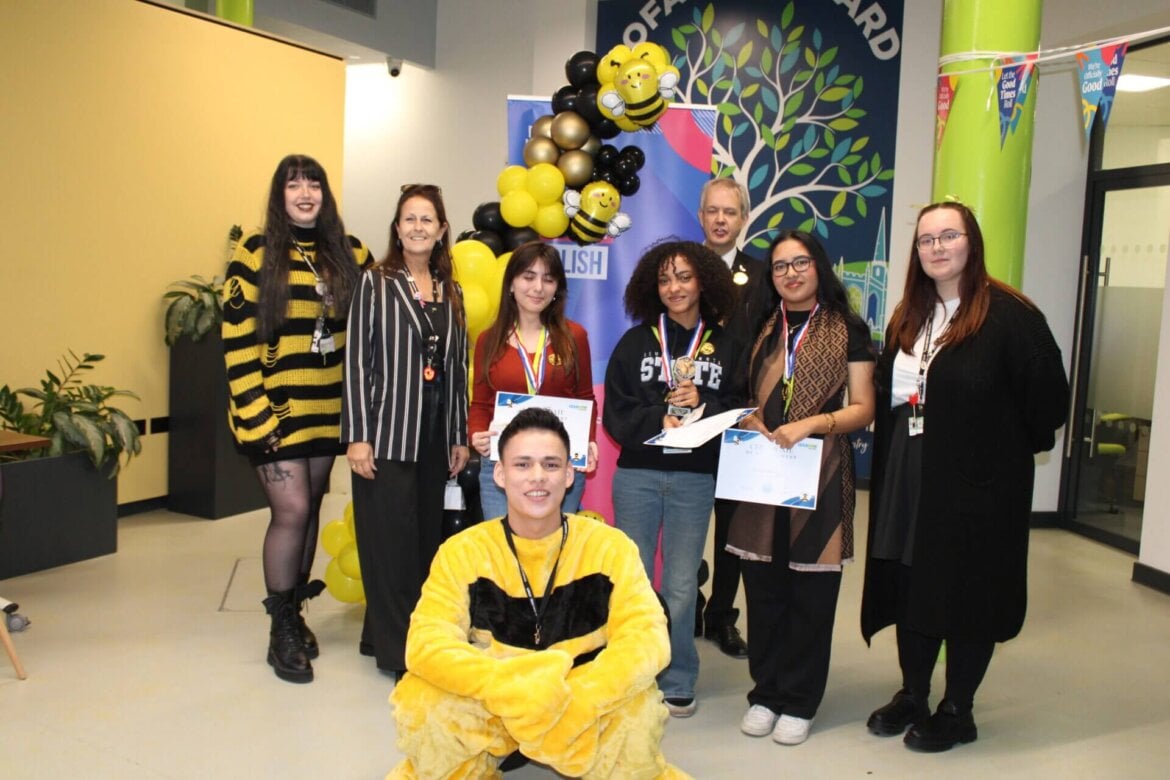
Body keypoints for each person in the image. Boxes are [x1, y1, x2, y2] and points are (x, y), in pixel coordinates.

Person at [860, 201, 1068, 752]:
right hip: (909, 473)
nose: (937, 247)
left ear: (971, 242)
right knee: (912, 580)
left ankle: (958, 709)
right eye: (926, 239)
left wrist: (999, 453)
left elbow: (1049, 403)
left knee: (968, 588)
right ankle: (913, 693)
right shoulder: (910, 313)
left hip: (979, 485)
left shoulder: (1012, 316)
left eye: (949, 235)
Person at [388, 408, 686, 779]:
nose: (537, 477)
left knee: (635, 711)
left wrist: (581, 700)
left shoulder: (610, 546)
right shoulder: (462, 551)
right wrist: (515, 689)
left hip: (576, 697)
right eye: (522, 464)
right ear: (500, 474)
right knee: (422, 699)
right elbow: (426, 644)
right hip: (496, 696)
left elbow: (647, 639)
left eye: (551, 465)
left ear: (569, 475)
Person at [223, 154, 370, 683]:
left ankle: (294, 613)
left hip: (327, 414)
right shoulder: (255, 252)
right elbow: (237, 342)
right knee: (292, 512)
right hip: (273, 414)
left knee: (309, 514)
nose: (305, 193)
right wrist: (257, 415)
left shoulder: (351, 252)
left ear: (325, 194)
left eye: (313, 184)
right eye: (293, 185)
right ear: (279, 194)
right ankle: (280, 629)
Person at [726, 229, 875, 745]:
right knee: (763, 590)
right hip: (761, 473)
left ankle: (800, 700)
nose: (790, 273)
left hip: (822, 472)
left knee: (811, 595)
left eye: (800, 263)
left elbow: (864, 408)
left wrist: (813, 424)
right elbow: (738, 394)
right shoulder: (757, 324)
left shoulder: (848, 327)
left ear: (819, 267)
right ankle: (765, 694)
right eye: (780, 266)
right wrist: (747, 419)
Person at [603, 240, 739, 719]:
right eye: (664, 279)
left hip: (694, 478)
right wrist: (657, 419)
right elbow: (615, 411)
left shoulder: (725, 344)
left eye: (683, 277)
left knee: (681, 585)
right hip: (637, 475)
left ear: (703, 281)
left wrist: (704, 403)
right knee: (635, 580)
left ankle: (679, 675)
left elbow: (741, 408)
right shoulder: (635, 342)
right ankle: (634, 673)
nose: (674, 287)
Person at [341, 183, 469, 678]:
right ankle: (399, 654)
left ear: (441, 230)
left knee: (421, 543)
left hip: (434, 436)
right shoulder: (376, 282)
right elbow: (357, 361)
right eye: (409, 219)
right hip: (387, 434)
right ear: (398, 228)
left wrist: (458, 434)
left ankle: (380, 633)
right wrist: (358, 435)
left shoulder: (451, 290)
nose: (418, 227)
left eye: (427, 219)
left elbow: (457, 368)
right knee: (389, 543)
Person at [469, 241, 597, 520]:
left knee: (555, 545)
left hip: (558, 465)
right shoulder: (488, 340)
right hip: (503, 464)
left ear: (557, 288)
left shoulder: (574, 337)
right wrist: (477, 433)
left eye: (548, 279)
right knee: (505, 544)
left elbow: (585, 398)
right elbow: (480, 403)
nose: (538, 288)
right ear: (511, 283)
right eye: (528, 277)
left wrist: (588, 441)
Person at [695, 177, 767, 658]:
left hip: (737, 420)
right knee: (682, 521)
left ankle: (721, 615)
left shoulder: (762, 276)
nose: (721, 220)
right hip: (684, 416)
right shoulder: (679, 268)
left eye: (730, 212)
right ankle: (682, 606)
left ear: (743, 219)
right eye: (713, 211)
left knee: (731, 527)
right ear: (701, 216)